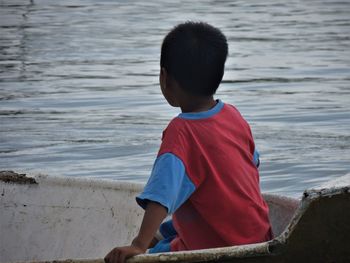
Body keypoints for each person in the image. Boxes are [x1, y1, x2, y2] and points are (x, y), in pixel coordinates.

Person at [104, 21, 272, 263]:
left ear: (165, 78)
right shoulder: (233, 115)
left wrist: (139, 245)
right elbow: (251, 165)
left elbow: (161, 196)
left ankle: (153, 243)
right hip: (258, 236)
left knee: (150, 248)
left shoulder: (181, 132)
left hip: (216, 248)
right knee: (175, 224)